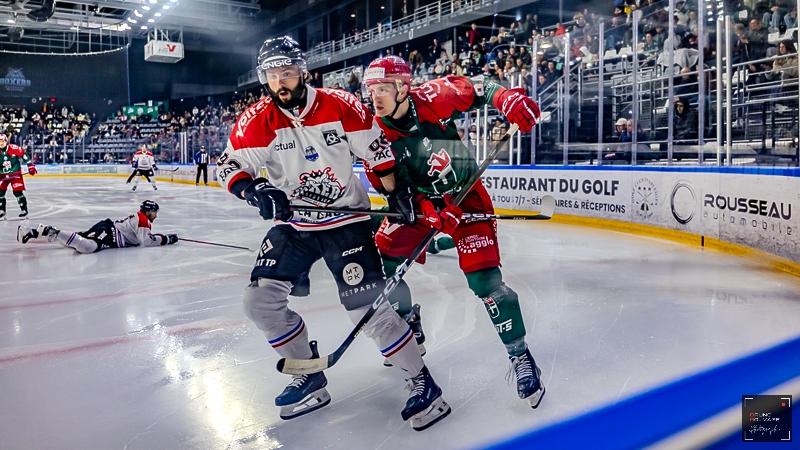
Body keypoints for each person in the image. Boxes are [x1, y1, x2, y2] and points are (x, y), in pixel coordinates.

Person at [216, 36, 450, 431]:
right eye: (272, 75)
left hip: (346, 221)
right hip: (294, 225)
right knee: (259, 303)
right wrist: (254, 189)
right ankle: (308, 374)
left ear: (302, 72)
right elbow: (230, 166)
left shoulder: (340, 105)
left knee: (367, 308)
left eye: (287, 73)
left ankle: (422, 382)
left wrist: (398, 194)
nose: (280, 82)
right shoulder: (257, 120)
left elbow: (377, 154)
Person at [362, 56, 546, 409]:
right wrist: (430, 211)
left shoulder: (434, 96)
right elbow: (393, 189)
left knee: (485, 282)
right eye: (372, 90)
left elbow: (482, 88)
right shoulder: (373, 135)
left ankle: (520, 356)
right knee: (384, 260)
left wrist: (507, 99)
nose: (377, 98)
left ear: (404, 87)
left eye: (384, 88)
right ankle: (407, 319)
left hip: (466, 195)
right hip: (419, 207)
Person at [17, 200, 178, 253]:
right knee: (87, 247)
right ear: (149, 211)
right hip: (110, 233)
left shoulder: (142, 217)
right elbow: (146, 242)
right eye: (155, 212)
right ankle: (50, 231)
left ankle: (36, 233)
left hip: (109, 230)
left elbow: (143, 236)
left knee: (78, 240)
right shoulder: (143, 220)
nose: (156, 215)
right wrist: (166, 239)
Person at [0, 133, 37, 219]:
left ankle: (24, 210)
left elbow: (24, 155)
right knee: (0, 193)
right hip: (2, 175)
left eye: (2, 141)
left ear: (6, 141)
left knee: (17, 192)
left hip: (15, 174)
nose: (1, 143)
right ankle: (2, 211)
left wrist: (30, 166)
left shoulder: (13, 148)